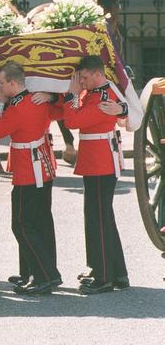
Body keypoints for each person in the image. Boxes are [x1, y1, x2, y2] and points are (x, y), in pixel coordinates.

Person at [0, 61, 62, 295]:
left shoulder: (17, 107)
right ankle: (37, 271)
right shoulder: (35, 99)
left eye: (1, 83)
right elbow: (60, 110)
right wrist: (51, 96)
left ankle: (44, 275)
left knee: (22, 224)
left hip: (29, 170)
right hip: (41, 167)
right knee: (40, 224)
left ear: (12, 83)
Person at [63, 55, 130, 294]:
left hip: (101, 162)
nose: (81, 82)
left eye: (84, 77)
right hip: (95, 160)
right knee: (101, 217)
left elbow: (72, 121)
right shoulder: (97, 91)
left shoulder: (102, 98)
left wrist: (71, 95)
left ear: (96, 74)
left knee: (98, 219)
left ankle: (104, 277)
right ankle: (116, 272)